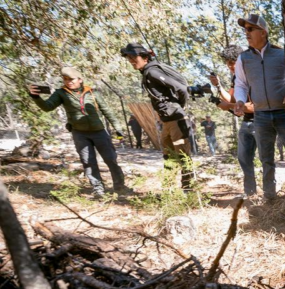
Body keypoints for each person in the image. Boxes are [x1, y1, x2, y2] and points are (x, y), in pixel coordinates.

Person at [29, 67, 127, 197]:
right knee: (88, 162)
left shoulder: (92, 92)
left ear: (80, 80)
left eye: (71, 79)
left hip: (99, 132)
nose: (68, 82)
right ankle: (98, 189)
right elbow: (47, 107)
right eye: (65, 79)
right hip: (79, 133)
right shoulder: (61, 93)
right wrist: (35, 97)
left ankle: (120, 186)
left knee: (111, 159)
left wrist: (118, 128)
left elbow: (107, 111)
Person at [121, 42, 194, 192]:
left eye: (134, 57)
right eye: (129, 58)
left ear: (145, 58)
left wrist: (178, 107)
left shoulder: (152, 72)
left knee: (183, 157)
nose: (132, 61)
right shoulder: (147, 73)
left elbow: (181, 89)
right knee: (169, 157)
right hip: (167, 122)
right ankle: (168, 191)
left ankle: (188, 191)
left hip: (176, 120)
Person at [233, 14, 285, 199]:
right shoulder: (243, 58)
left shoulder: (282, 54)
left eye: (250, 29)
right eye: (245, 30)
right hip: (261, 116)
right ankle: (270, 197)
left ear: (263, 33)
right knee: (266, 159)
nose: (246, 33)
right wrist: (240, 101)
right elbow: (241, 84)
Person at [211, 45, 263, 197]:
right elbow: (233, 100)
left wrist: (229, 106)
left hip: (261, 121)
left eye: (233, 62)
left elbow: (257, 106)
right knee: (244, 158)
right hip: (246, 123)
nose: (231, 66)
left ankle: (269, 194)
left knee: (265, 159)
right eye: (228, 63)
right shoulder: (236, 77)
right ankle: (250, 193)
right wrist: (218, 86)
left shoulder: (254, 75)